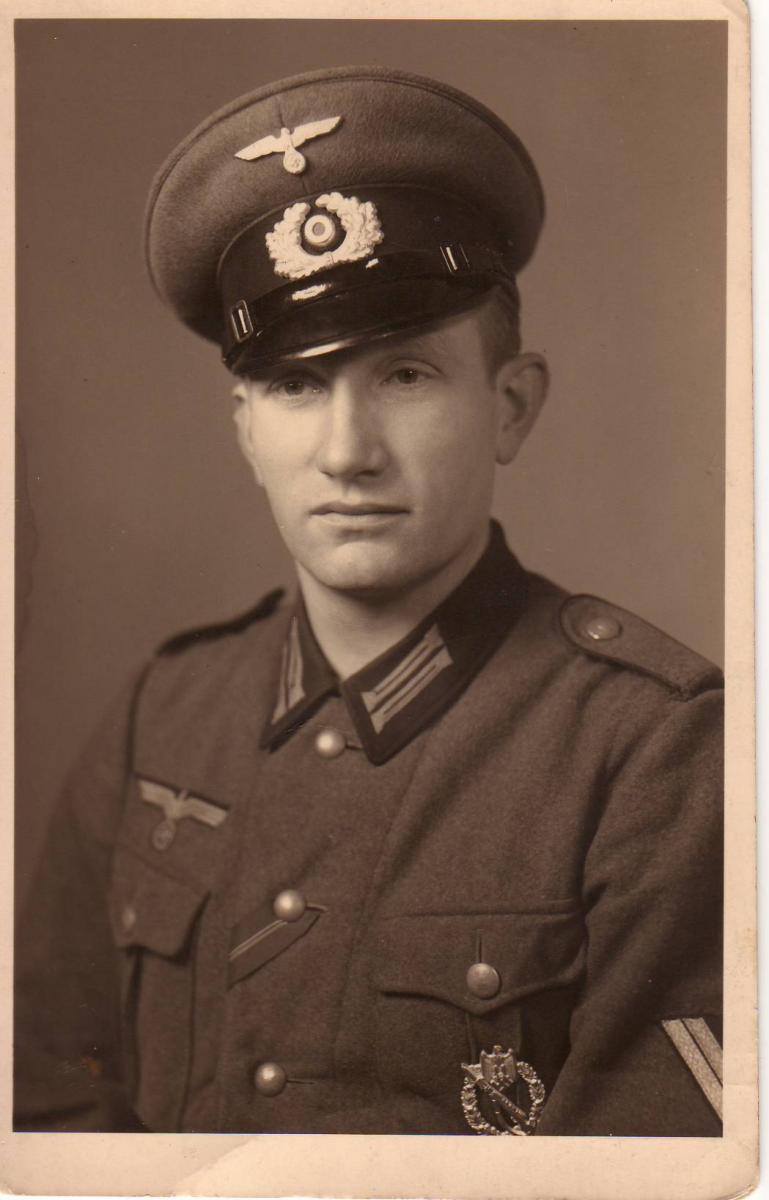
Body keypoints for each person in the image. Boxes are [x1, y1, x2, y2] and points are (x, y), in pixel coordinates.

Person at [14, 65, 723, 1137]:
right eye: (298, 385)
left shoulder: (652, 754)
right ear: (247, 427)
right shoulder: (160, 719)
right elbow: (45, 1116)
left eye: (405, 376)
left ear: (512, 406)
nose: (346, 454)